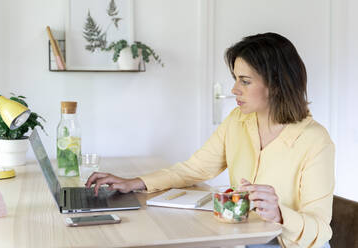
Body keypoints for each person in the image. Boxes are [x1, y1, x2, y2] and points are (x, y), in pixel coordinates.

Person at [86, 33, 334, 248]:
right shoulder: (237, 121)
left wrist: (280, 214)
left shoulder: (315, 140)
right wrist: (135, 183)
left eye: (245, 81)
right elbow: (195, 168)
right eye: (236, 78)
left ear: (277, 85)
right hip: (246, 236)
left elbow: (321, 228)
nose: (235, 89)